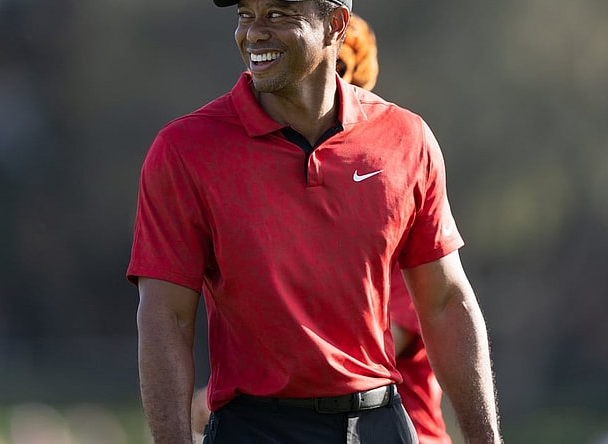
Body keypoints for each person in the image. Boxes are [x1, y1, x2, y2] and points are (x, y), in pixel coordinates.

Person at [127, 0, 502, 443]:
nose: (254, 32)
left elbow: (445, 303)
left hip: (380, 423)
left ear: (335, 24)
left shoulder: (407, 138)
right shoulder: (184, 149)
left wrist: (486, 439)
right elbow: (166, 316)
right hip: (253, 429)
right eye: (246, 15)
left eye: (278, 14)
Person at [189, 12, 453, 443]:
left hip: (402, 431)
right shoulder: (210, 156)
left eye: (344, 71)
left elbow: (403, 326)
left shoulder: (396, 181)